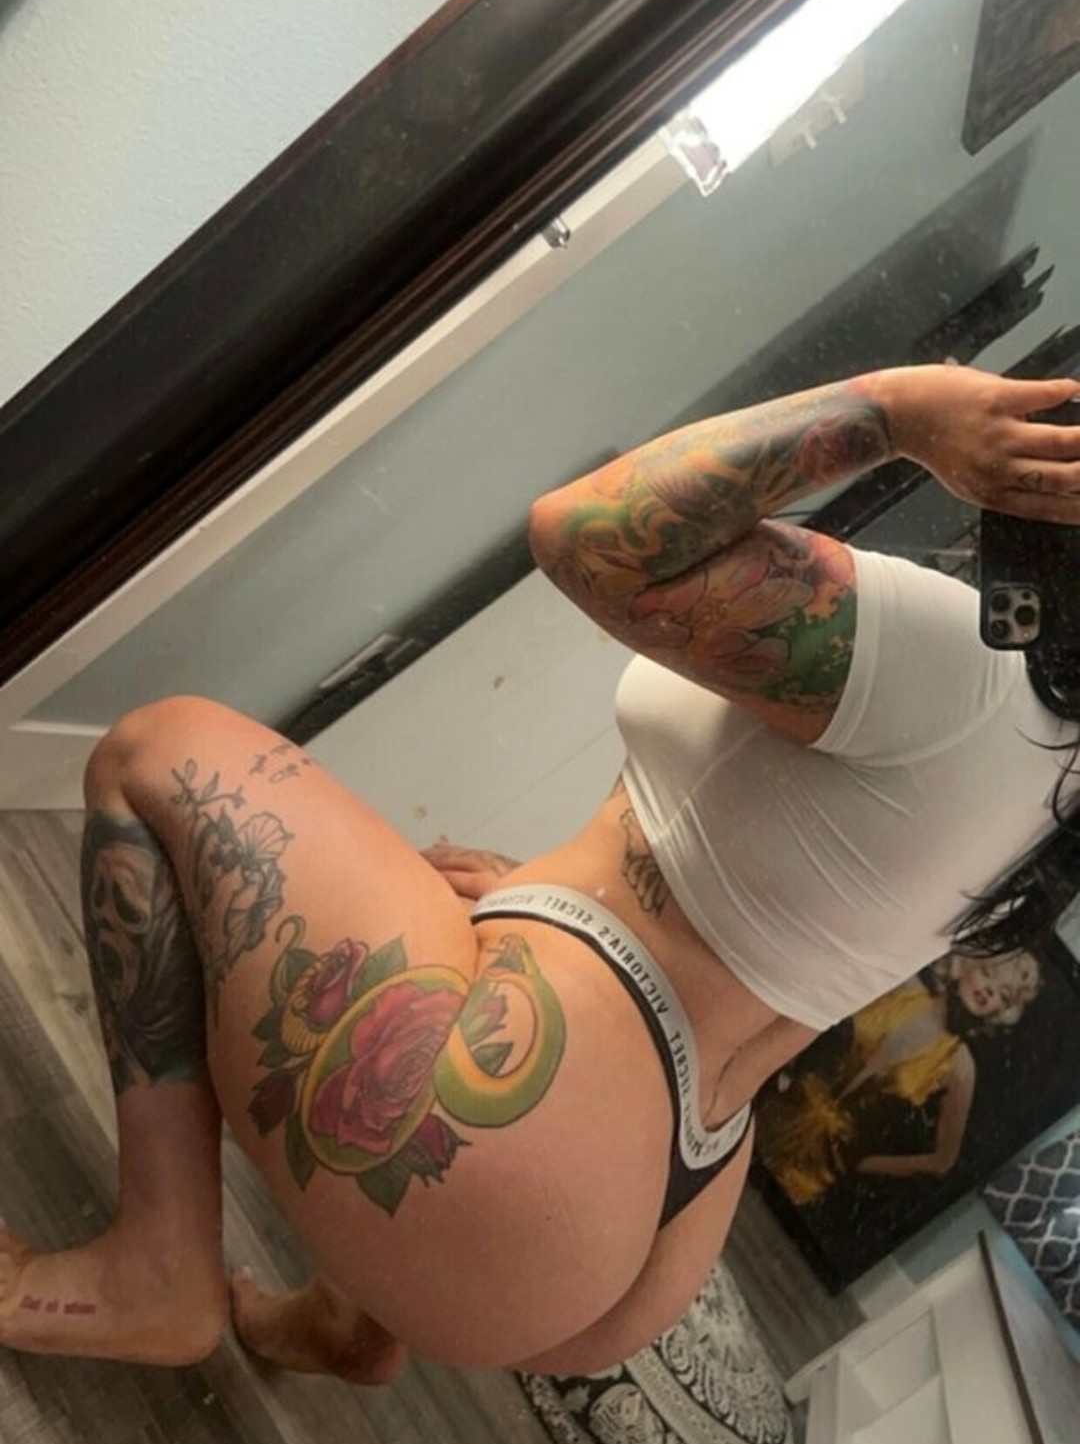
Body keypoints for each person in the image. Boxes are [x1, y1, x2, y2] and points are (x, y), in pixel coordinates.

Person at [1, 362, 1079, 1381]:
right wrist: (546, 909)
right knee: (455, 920)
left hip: (528, 1146)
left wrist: (894, 409)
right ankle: (352, 1316)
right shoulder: (1061, 778)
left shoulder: (972, 667)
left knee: (154, 749)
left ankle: (157, 1268)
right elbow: (796, 892)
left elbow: (587, 535)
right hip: (654, 1217)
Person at [754, 949, 1043, 1203]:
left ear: (1003, 1010)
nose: (990, 990)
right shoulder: (904, 986)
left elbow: (943, 1160)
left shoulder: (960, 1066)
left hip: (807, 1179)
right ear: (964, 965)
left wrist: (863, 1164)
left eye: (1003, 995)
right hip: (763, 1108)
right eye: (988, 973)